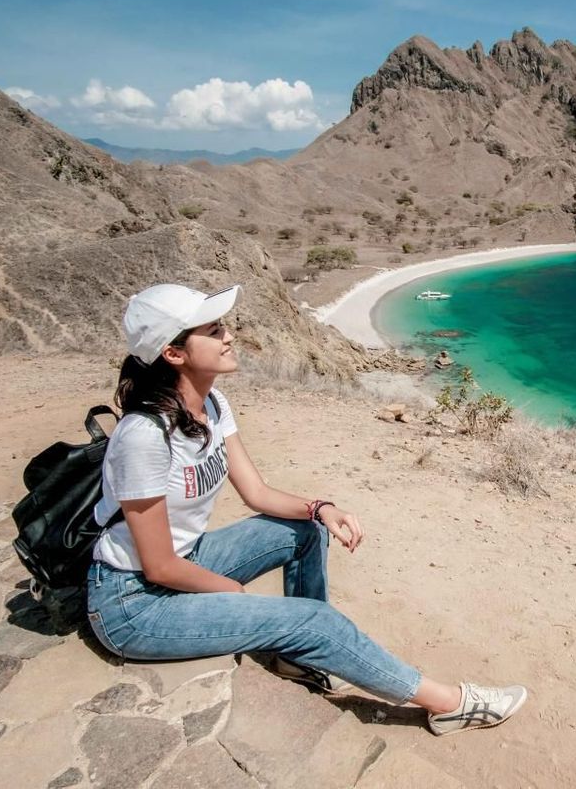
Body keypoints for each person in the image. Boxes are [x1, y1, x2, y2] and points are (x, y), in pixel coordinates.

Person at [85, 283, 526, 736]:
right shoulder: (144, 437)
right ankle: (449, 704)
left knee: (306, 530)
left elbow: (256, 493)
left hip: (187, 560)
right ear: (174, 353)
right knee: (310, 621)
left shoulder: (213, 405)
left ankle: (299, 655)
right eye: (214, 330)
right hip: (133, 604)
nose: (229, 336)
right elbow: (158, 567)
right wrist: (229, 594)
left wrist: (321, 508)